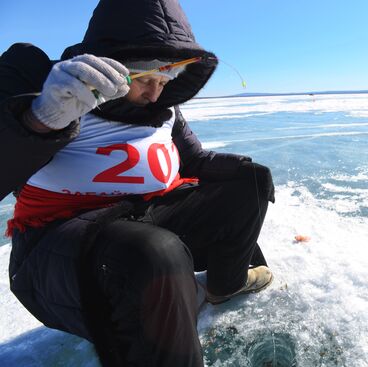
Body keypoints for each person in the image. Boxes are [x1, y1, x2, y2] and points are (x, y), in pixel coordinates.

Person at [0, 0, 274, 366]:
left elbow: (193, 161)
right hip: (58, 249)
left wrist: (246, 173)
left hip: (140, 217)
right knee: (155, 253)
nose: (155, 94)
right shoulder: (43, 85)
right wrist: (39, 121)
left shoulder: (163, 109)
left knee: (250, 181)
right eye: (145, 79)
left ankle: (225, 286)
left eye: (165, 81)